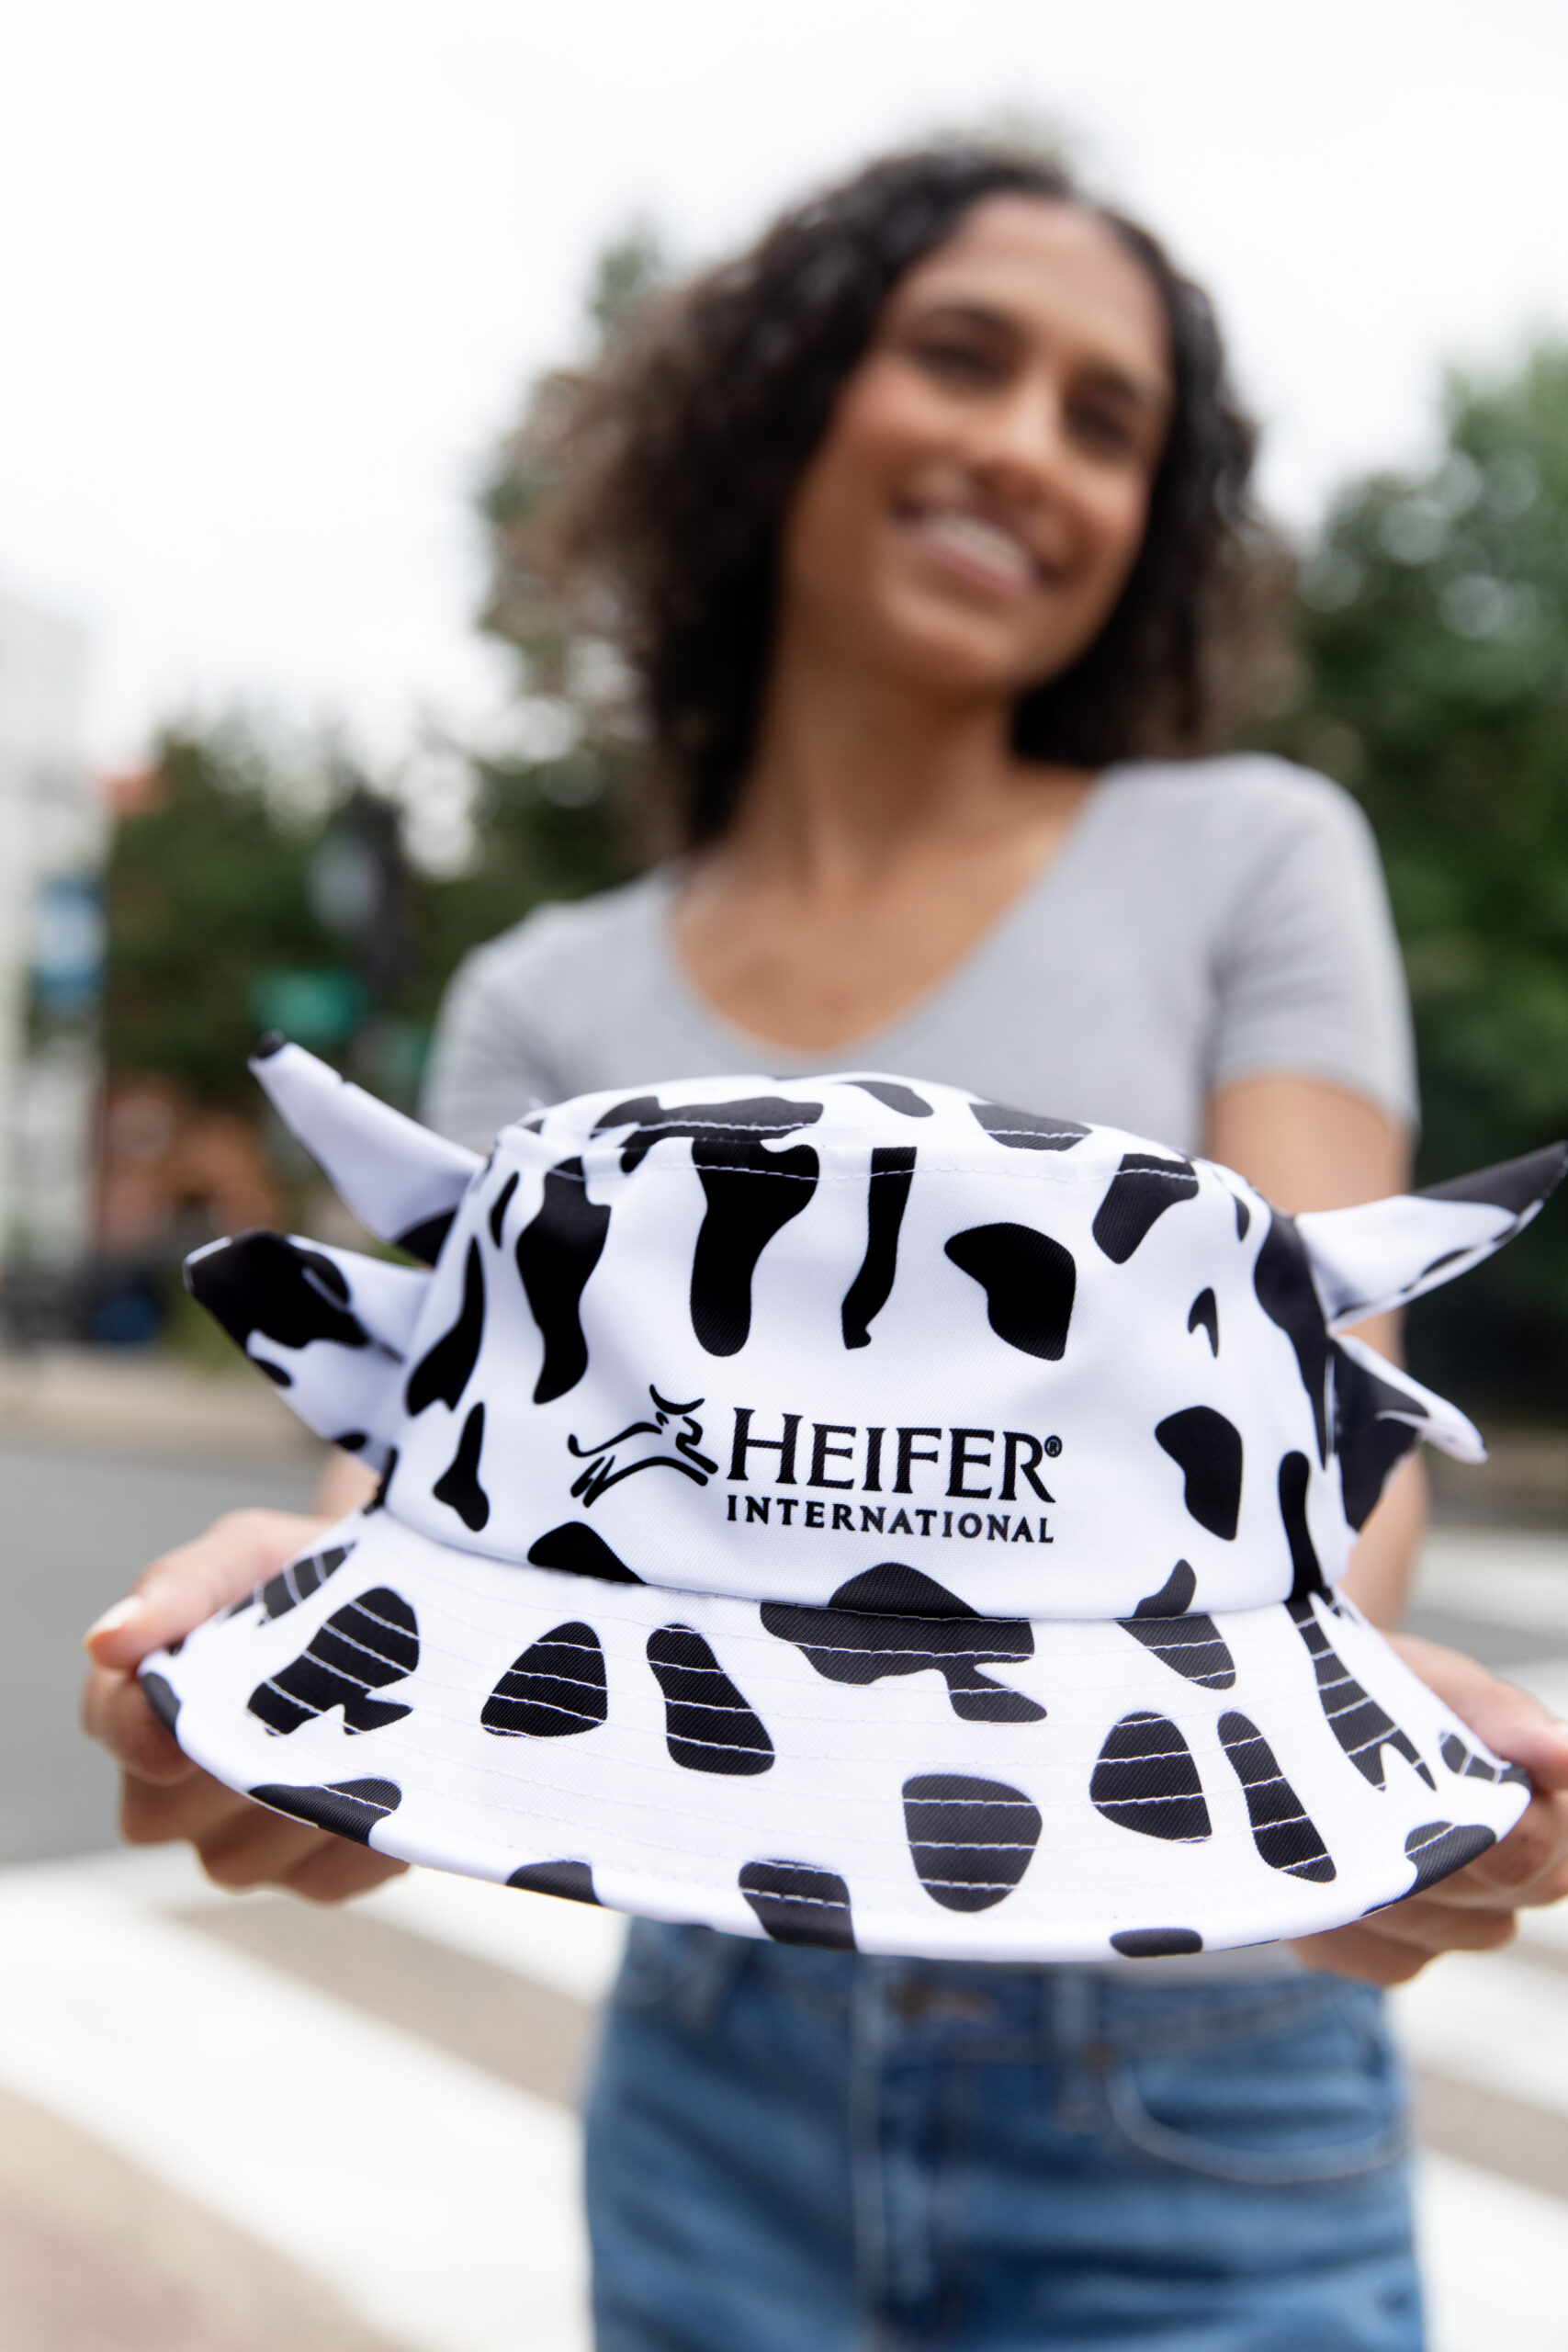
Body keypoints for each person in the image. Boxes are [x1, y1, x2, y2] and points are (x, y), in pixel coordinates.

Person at [84, 146, 1568, 2349]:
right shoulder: (540, 1001)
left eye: (1103, 420)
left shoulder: (1250, 857)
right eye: (961, 356)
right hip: (713, 2040)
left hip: (1193, 2056)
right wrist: (301, 1677)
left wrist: (1295, 1784)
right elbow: (436, 1479)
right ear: (780, 403)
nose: (1021, 447)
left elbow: (1318, 1405)